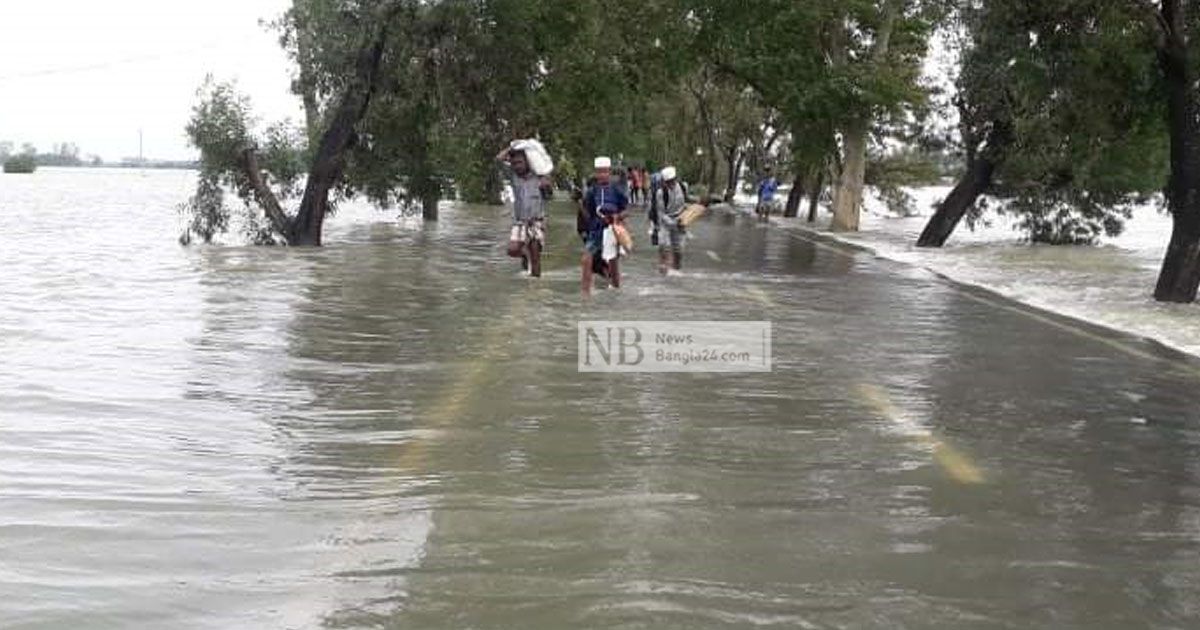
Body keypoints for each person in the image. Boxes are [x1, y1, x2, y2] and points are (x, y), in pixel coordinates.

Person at [497, 143, 554, 276]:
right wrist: (513, 147)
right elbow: (499, 159)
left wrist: (547, 186)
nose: (517, 166)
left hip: (537, 221)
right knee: (512, 250)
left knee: (535, 256)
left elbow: (549, 195)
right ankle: (524, 253)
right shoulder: (513, 176)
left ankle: (534, 287)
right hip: (519, 222)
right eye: (515, 163)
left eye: (520, 162)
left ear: (528, 162)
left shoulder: (539, 176)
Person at [580, 156, 629, 294]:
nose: (602, 175)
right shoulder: (592, 191)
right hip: (595, 230)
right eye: (599, 172)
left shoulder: (616, 190)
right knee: (586, 259)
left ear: (609, 172)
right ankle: (586, 292)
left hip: (612, 230)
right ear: (595, 173)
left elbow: (626, 210)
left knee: (612, 262)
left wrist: (617, 217)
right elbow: (588, 210)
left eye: (605, 172)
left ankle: (616, 289)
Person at [654, 166, 688, 274]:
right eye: (668, 182)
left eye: (672, 181)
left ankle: (676, 273)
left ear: (676, 178)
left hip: (680, 220)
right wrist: (673, 223)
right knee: (664, 247)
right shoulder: (660, 193)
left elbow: (685, 203)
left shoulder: (683, 187)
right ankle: (663, 274)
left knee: (679, 251)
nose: (671, 184)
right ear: (664, 182)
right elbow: (661, 213)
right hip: (665, 222)